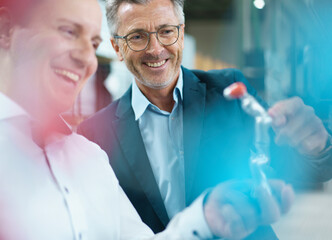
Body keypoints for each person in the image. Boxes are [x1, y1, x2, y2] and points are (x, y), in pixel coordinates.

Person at [0, 0, 295, 239]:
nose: (87, 60)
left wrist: (206, 218)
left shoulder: (87, 158)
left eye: (92, 43)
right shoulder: (94, 137)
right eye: (67, 31)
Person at [78, 0, 332, 238]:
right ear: (117, 47)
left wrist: (316, 144)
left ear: (181, 34)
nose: (155, 48)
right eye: (137, 36)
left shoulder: (230, 92)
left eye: (166, 31)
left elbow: (318, 170)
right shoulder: (94, 136)